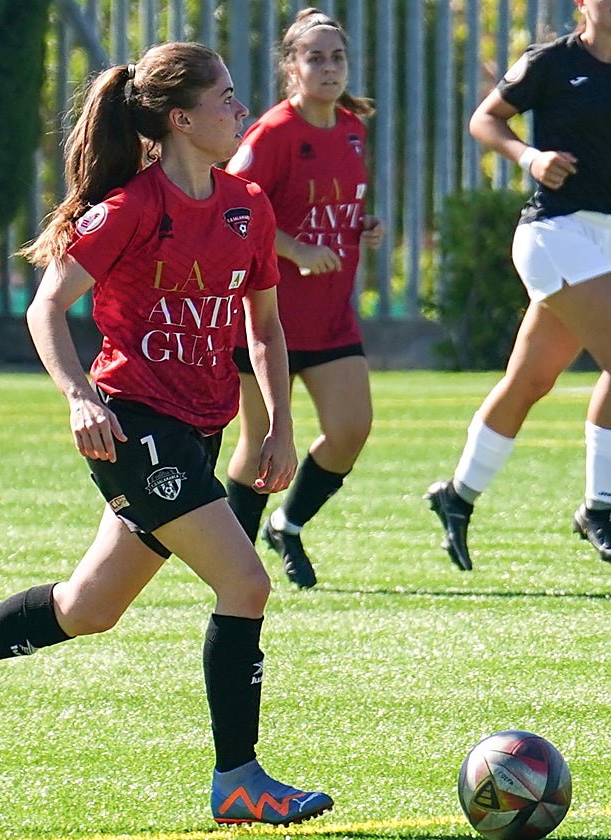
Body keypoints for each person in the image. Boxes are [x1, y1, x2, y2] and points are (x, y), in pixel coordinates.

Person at [0, 42, 334, 828]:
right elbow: (45, 308)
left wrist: (282, 426)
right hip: (134, 427)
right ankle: (239, 781)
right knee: (246, 584)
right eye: (225, 99)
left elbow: (265, 330)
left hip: (197, 431)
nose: (239, 110)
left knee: (87, 609)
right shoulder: (131, 211)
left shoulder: (247, 206)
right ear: (181, 120)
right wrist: (80, 396)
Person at [426, 0, 611, 572]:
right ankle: (598, 510)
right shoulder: (551, 61)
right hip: (552, 233)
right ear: (583, 4)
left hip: (606, 237)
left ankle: (457, 496)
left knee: (529, 381)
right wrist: (529, 156)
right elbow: (485, 118)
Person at [224, 8, 384, 589]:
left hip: (332, 316)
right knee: (261, 443)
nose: (328, 67)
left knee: (351, 430)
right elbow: (234, 210)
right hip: (268, 320)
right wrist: (292, 249)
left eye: (337, 56)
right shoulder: (271, 134)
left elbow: (335, 204)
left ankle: (287, 526)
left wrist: (365, 227)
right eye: (314, 57)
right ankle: (234, 565)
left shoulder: (351, 128)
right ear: (291, 67)